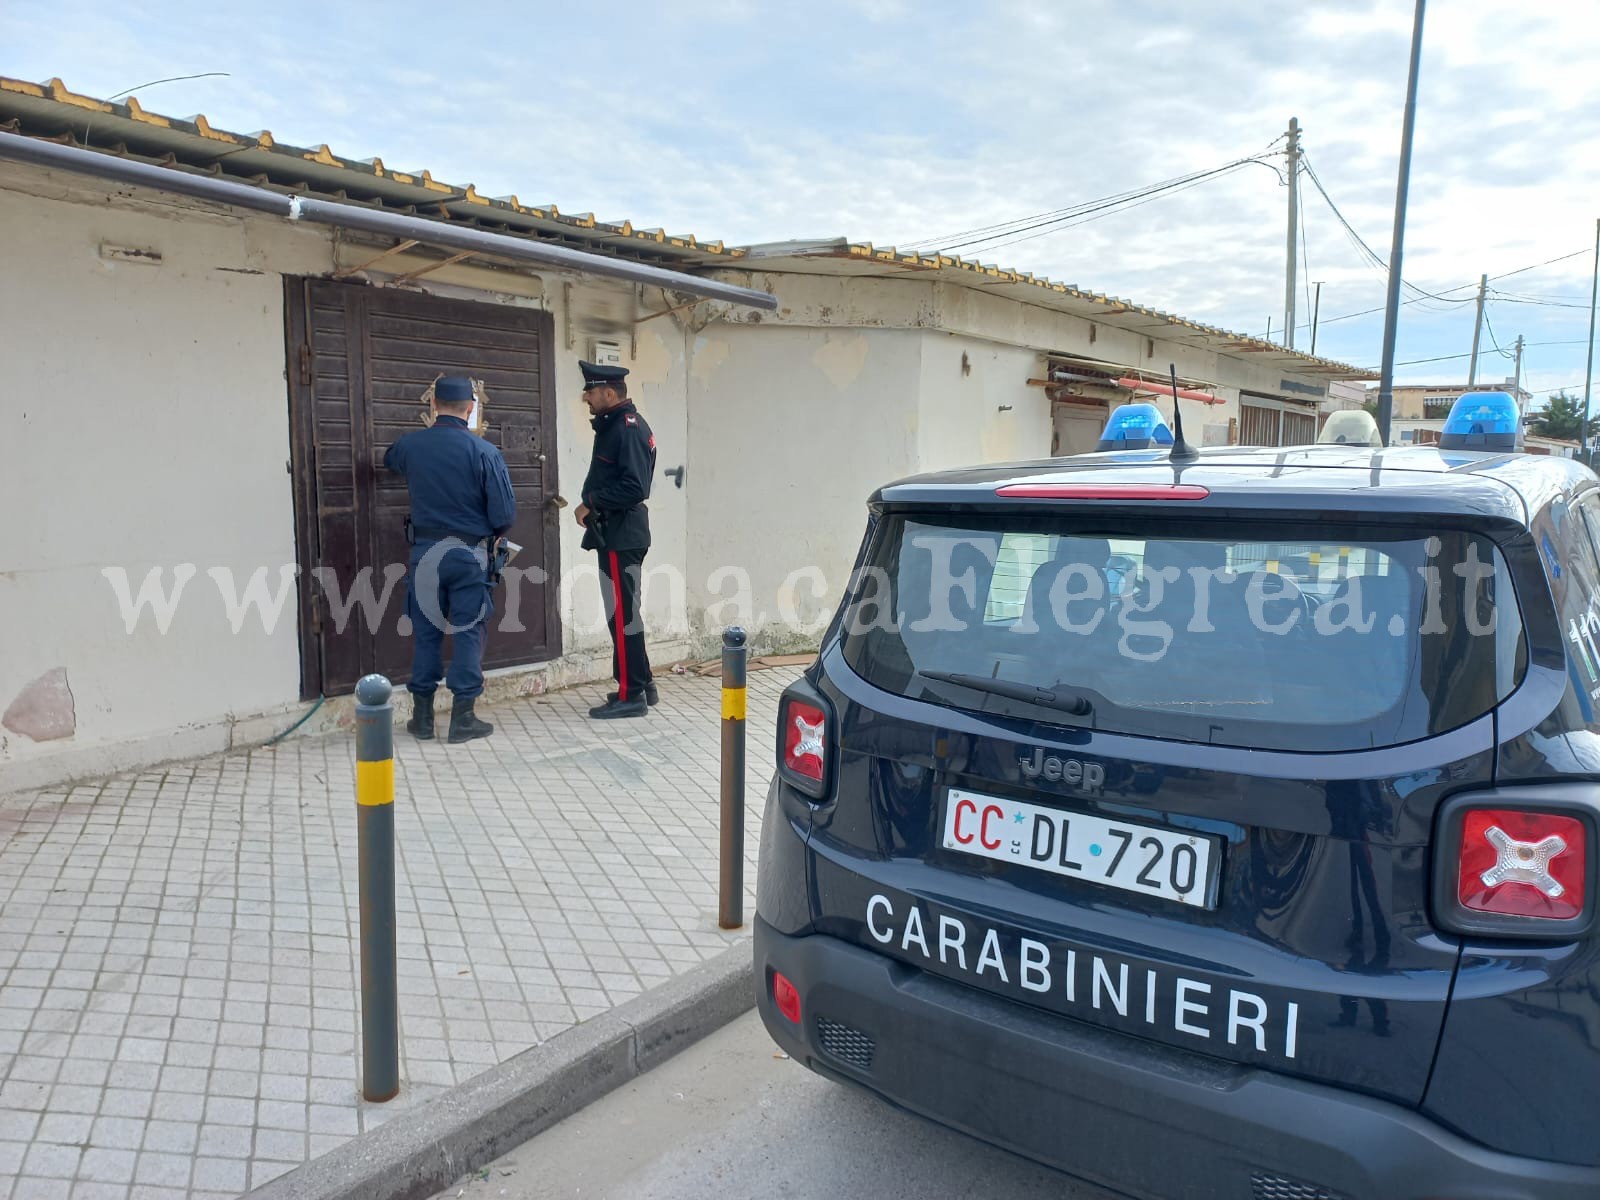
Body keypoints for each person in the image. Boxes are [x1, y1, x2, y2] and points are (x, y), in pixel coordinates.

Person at [382, 374, 516, 743]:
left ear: (433, 405)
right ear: (471, 409)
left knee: (426, 633)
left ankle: (422, 719)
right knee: (469, 631)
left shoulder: (412, 446)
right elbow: (504, 515)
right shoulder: (486, 453)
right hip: (469, 556)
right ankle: (463, 719)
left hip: (425, 554)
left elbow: (389, 459)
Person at [577, 360, 657, 719]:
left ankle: (632, 695)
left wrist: (590, 502)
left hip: (622, 532)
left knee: (622, 614)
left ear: (609, 393)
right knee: (626, 613)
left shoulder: (626, 428)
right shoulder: (618, 425)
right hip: (618, 531)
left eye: (590, 392)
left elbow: (635, 486)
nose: (586, 398)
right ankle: (644, 684)